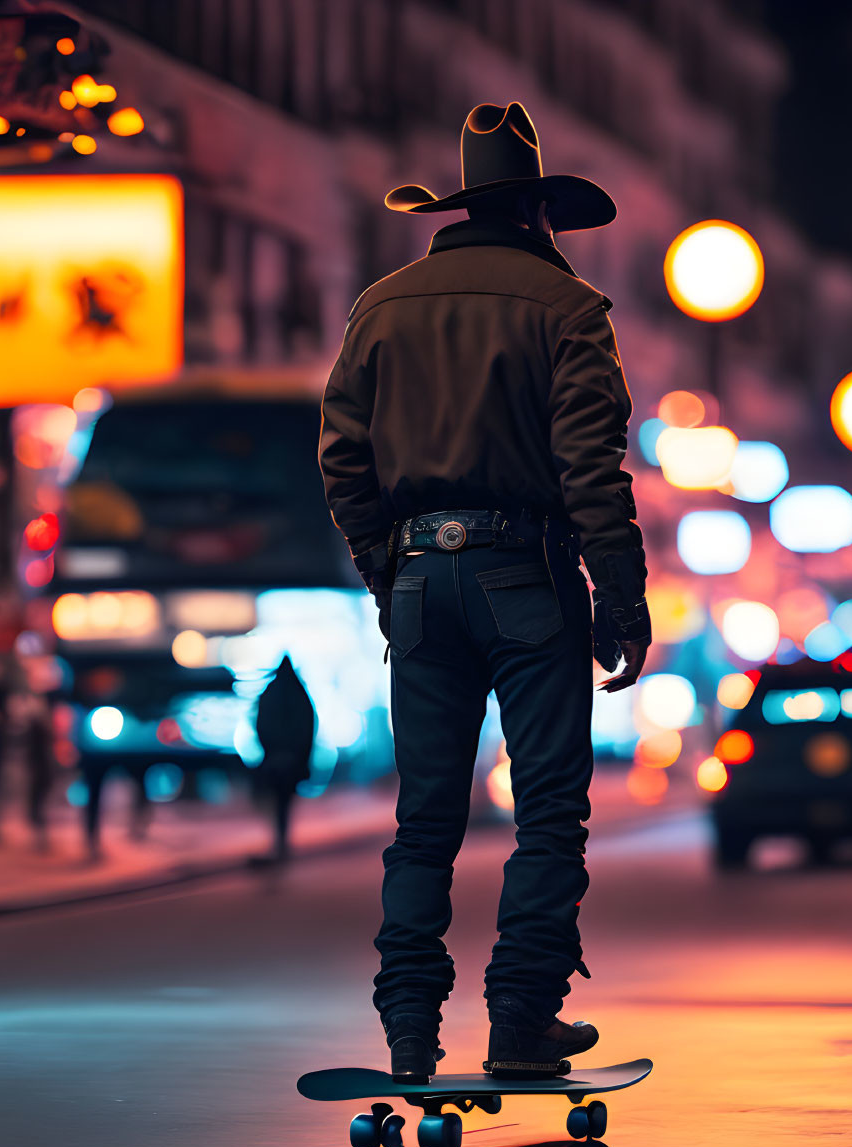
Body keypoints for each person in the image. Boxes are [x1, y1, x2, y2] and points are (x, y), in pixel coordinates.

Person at [320, 102, 652, 1083]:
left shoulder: (381, 305)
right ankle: (520, 1019)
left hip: (420, 578)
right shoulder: (570, 311)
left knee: (423, 818)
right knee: (547, 811)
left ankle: (409, 1029)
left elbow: (343, 463)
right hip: (529, 575)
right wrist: (621, 602)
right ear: (537, 213)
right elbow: (594, 471)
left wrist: (390, 572)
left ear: (461, 208)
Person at [251, 655, 317, 862]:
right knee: (284, 803)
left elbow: (260, 724)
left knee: (277, 802)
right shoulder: (300, 693)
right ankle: (281, 841)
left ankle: (279, 841)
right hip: (292, 760)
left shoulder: (269, 692)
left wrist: (269, 750)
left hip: (275, 759)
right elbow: (308, 727)